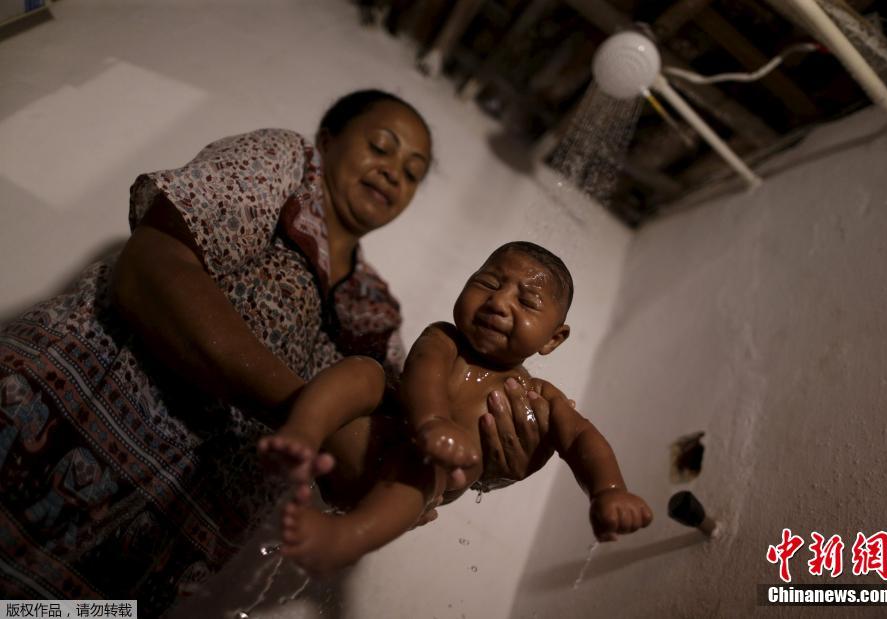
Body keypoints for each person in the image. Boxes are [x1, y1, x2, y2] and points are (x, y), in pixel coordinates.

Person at [0, 90, 543, 613]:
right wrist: (306, 412)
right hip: (45, 432)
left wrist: (481, 458)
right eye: (381, 147)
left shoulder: (378, 315)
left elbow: (374, 465)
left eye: (411, 173)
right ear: (328, 141)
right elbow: (151, 268)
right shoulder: (286, 166)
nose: (392, 173)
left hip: (147, 552)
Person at [258, 241, 653, 575]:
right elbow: (425, 370)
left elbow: (581, 435)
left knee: (425, 461)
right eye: (487, 284)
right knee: (366, 371)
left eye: (527, 301)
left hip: (405, 488)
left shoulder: (539, 395)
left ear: (553, 339)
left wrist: (608, 490)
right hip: (365, 436)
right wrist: (432, 422)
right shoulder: (444, 337)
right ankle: (299, 436)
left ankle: (346, 538)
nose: (498, 302)